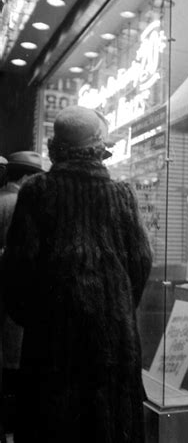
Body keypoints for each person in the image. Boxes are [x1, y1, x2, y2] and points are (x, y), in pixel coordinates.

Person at [0, 105, 153, 443]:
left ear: (57, 146)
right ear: (98, 145)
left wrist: (39, 315)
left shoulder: (37, 191)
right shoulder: (122, 195)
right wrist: (120, 306)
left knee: (51, 425)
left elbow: (17, 272)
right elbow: (141, 261)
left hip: (51, 343)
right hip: (113, 343)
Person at [0, 151, 44, 440]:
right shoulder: (18, 204)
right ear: (27, 178)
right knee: (15, 357)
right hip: (13, 290)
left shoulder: (2, 199)